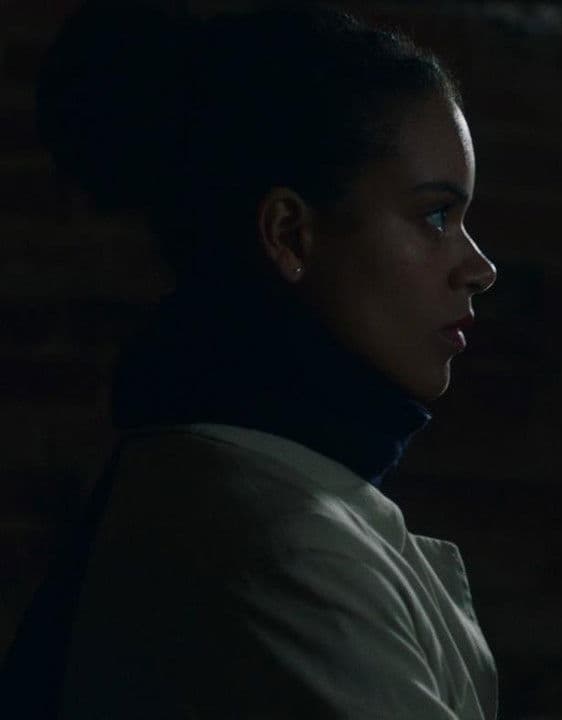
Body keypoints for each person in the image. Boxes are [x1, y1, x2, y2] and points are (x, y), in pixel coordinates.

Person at [1, 3, 497, 718]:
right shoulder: (280, 546)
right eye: (435, 216)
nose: (479, 268)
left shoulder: (234, 485)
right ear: (289, 234)